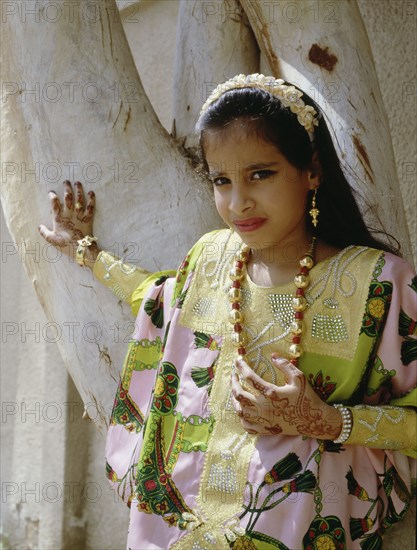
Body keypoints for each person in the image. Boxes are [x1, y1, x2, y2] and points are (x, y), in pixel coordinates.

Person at [39, 74, 416, 550]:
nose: (238, 203)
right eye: (222, 180)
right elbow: (162, 300)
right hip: (179, 527)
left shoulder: (379, 283)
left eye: (261, 174)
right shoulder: (212, 257)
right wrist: (88, 253)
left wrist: (328, 422)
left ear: (312, 171)